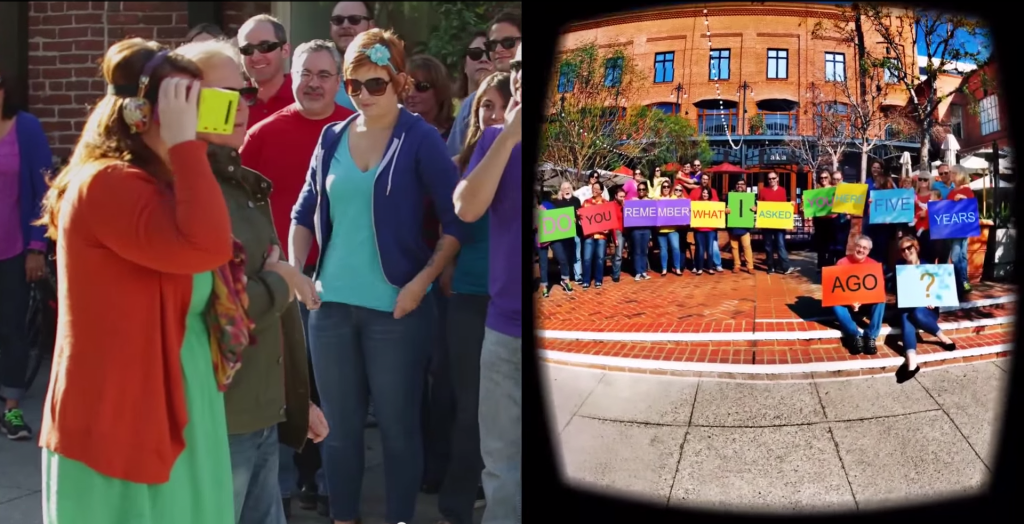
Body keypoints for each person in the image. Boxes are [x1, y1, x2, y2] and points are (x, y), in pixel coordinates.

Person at [35, 39, 235, 523]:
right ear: (141, 112)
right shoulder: (107, 183)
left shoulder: (159, 181)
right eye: (184, 101)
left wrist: (190, 151)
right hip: (118, 420)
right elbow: (208, 246)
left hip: (167, 402)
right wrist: (188, 146)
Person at [289, 29, 465, 524]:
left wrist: (423, 281)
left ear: (399, 81)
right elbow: (304, 213)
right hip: (329, 309)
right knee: (338, 432)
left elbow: (457, 221)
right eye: (355, 85)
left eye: (376, 84)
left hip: (397, 309)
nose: (364, 95)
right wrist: (298, 270)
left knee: (398, 429)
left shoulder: (421, 138)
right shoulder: (331, 137)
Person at [176, 39, 329, 524]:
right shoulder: (184, 190)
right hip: (218, 419)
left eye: (243, 92)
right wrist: (282, 279)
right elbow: (214, 308)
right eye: (223, 94)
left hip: (262, 413)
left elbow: (273, 316)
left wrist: (295, 401)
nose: (240, 105)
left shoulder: (239, 183)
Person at [240, 38, 356, 517]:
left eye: (324, 75)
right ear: (294, 75)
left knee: (335, 389)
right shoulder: (263, 134)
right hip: (281, 277)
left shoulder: (354, 131)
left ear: (339, 83)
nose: (313, 83)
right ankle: (284, 486)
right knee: (287, 383)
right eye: (306, 73)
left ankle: (331, 483)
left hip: (344, 281)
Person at [436, 70, 511, 524]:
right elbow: (454, 225)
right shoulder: (463, 164)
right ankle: (455, 506)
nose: (490, 112)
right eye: (484, 104)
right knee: (471, 409)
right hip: (467, 297)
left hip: (508, 304)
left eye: (499, 104)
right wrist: (444, 266)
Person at [452, 39, 522, 524]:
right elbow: (467, 207)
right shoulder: (497, 140)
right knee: (501, 468)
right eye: (515, 63)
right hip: (503, 329)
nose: (518, 72)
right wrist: (508, 137)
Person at [0, 70, 53, 440]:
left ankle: (12, 411)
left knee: (12, 328)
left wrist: (38, 246)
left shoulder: (26, 128)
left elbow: (44, 191)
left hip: (14, 249)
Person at [447, 10, 519, 157]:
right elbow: (452, 164)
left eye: (508, 42)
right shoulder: (474, 101)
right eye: (492, 44)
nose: (499, 49)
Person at [894, 236, 958, 383]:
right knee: (906, 316)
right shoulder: (900, 267)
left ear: (916, 247)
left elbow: (939, 291)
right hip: (907, 307)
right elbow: (897, 292)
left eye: (909, 247)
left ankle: (943, 337)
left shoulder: (927, 266)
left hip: (926, 311)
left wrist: (934, 300)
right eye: (903, 250)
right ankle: (912, 362)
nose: (906, 251)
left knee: (916, 312)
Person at [831, 235, 885, 356]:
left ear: (869, 251)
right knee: (834, 301)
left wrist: (861, 300)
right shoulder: (842, 263)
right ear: (854, 246)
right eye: (859, 246)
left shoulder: (874, 265)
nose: (861, 250)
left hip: (865, 305)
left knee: (881, 298)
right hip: (847, 306)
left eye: (864, 248)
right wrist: (850, 301)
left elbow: (877, 289)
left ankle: (871, 336)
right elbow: (835, 288)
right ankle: (855, 336)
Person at [238, 14, 295, 128]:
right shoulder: (232, 101)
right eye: (247, 49)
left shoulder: (305, 96)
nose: (255, 57)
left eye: (265, 47)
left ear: (285, 50)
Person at [446, 31, 494, 157]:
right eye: (475, 54)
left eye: (489, 54)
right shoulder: (445, 107)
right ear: (464, 65)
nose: (483, 59)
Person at [329, 1, 376, 113]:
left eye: (355, 19)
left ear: (371, 26)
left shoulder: (385, 70)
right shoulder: (316, 71)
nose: (345, 25)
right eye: (338, 20)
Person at [406, 55, 455, 140]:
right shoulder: (392, 132)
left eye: (422, 86)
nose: (411, 94)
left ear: (440, 90)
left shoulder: (458, 133)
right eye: (406, 86)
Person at [756, 171, 795, 274]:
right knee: (768, 246)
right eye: (769, 179)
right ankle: (770, 267)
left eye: (773, 178)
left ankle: (785, 267)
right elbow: (760, 206)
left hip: (779, 224)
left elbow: (783, 206)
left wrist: (790, 204)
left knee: (781, 245)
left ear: (777, 179)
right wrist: (756, 208)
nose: (771, 180)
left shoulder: (782, 190)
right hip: (767, 223)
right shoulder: (763, 191)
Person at [945, 171, 976, 296]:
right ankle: (962, 281)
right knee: (959, 255)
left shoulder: (967, 190)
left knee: (959, 255)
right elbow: (946, 207)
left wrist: (963, 199)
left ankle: (961, 281)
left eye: (952, 173)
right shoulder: (952, 192)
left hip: (963, 228)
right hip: (954, 228)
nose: (950, 175)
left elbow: (972, 205)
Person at [581, 181, 611, 287]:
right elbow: (582, 219)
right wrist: (579, 217)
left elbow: (610, 220)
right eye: (593, 188)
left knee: (600, 258)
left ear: (601, 191)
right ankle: (586, 280)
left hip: (601, 236)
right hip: (589, 235)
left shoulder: (606, 203)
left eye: (597, 188)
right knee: (587, 258)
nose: (594, 190)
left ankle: (598, 280)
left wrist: (608, 229)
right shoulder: (586, 202)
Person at [654, 180, 684, 276]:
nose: (666, 188)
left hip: (673, 229)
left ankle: (677, 268)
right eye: (664, 186)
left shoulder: (674, 198)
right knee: (663, 249)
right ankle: (664, 269)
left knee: (675, 248)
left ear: (670, 188)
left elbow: (684, 204)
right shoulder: (657, 199)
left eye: (667, 187)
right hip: (661, 230)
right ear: (661, 188)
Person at [728, 178, 755, 273]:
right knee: (734, 247)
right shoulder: (730, 196)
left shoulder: (750, 197)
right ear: (735, 185)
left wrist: (755, 208)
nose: (740, 185)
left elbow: (755, 207)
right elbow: (725, 207)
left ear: (745, 186)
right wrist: (726, 209)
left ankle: (750, 266)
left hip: (744, 226)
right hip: (733, 225)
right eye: (738, 183)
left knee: (746, 246)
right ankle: (736, 265)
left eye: (742, 184)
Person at [628, 180, 653, 280]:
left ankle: (643, 271)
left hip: (646, 230)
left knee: (644, 251)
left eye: (643, 189)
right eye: (639, 189)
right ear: (637, 191)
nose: (641, 191)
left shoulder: (650, 201)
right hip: (636, 230)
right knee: (637, 251)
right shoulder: (633, 200)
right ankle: (638, 272)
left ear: (646, 191)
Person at [812, 169, 836, 271]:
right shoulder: (816, 190)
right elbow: (811, 206)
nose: (823, 179)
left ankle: (829, 265)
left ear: (829, 178)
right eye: (821, 178)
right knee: (820, 244)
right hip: (819, 221)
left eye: (825, 177)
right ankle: (820, 265)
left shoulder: (834, 189)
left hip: (831, 220)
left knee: (830, 244)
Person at [609, 187, 627, 282]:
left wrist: (626, 208)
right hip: (618, 231)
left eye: (624, 196)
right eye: (620, 196)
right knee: (619, 254)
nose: (622, 198)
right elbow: (612, 223)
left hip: (627, 230)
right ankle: (616, 274)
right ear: (615, 196)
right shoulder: (612, 205)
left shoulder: (627, 204)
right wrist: (614, 238)